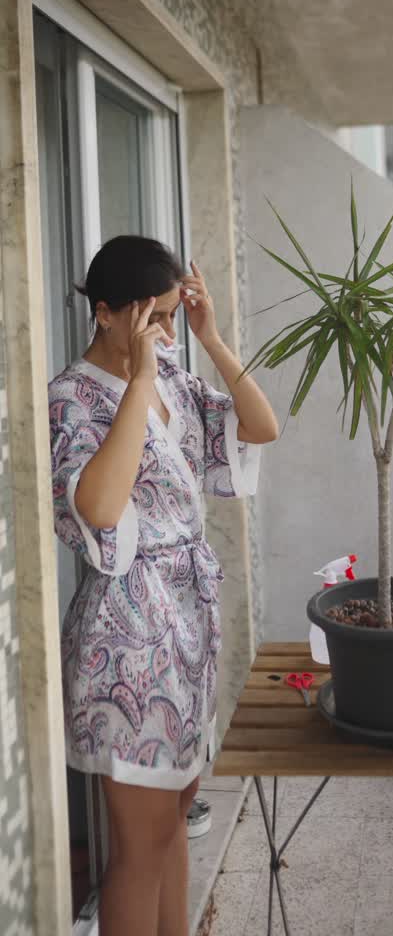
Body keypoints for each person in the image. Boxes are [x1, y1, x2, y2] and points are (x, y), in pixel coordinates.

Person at [49, 236, 279, 936]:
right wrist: (141, 383)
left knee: (177, 823)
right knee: (138, 852)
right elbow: (97, 507)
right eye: (155, 317)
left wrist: (211, 340)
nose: (166, 333)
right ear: (107, 313)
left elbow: (260, 428)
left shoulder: (176, 375)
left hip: (185, 630)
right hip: (126, 640)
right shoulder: (71, 397)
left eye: (174, 317)